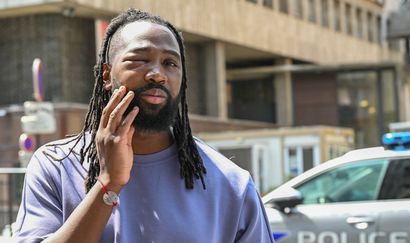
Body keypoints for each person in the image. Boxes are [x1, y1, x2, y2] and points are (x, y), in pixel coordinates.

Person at [13, 8, 275, 243]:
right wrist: (108, 183)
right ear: (107, 75)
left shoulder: (231, 184)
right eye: (140, 60)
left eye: (170, 63)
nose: (157, 74)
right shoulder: (57, 165)